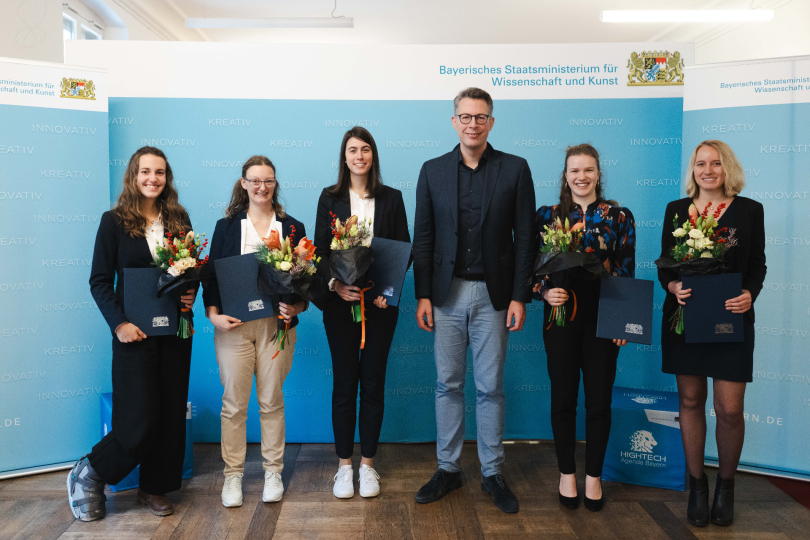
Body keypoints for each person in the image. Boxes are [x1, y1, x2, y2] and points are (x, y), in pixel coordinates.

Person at [412, 87, 535, 514]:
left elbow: (526, 241)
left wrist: (520, 297)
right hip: (445, 295)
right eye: (465, 116)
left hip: (494, 295)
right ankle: (448, 468)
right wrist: (423, 295)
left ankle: (492, 472)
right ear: (453, 122)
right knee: (447, 384)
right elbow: (423, 239)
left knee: (490, 388)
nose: (472, 124)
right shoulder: (431, 171)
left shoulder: (515, 169)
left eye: (480, 117)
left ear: (491, 122)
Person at [68, 146, 196, 520]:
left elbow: (188, 272)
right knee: (138, 419)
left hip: (175, 332)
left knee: (171, 413)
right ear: (133, 176)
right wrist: (119, 324)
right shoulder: (114, 222)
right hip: (133, 335)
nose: (152, 179)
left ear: (166, 178)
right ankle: (89, 473)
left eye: (159, 172)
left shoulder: (179, 218)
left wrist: (190, 293)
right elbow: (99, 281)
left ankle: (154, 488)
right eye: (145, 172)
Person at [659, 140, 766, 527]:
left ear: (727, 168)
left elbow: (756, 264)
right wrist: (672, 288)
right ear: (693, 170)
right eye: (701, 164)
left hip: (730, 320)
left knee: (729, 409)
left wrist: (749, 294)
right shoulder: (676, 210)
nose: (708, 170)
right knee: (690, 402)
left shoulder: (749, 210)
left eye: (716, 163)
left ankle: (725, 485)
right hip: (685, 320)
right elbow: (665, 268)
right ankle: (697, 486)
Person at [534, 144, 635, 512]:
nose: (581, 177)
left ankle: (594, 477)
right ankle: (566, 474)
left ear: (598, 173)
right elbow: (532, 268)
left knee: (598, 400)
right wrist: (544, 291)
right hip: (560, 317)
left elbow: (625, 270)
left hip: (603, 319)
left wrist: (623, 320)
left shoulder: (619, 216)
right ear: (565, 175)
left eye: (588, 170)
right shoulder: (546, 216)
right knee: (563, 399)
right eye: (575, 170)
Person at [203, 156, 307, 507]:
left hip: (277, 328)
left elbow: (307, 283)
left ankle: (272, 471)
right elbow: (210, 275)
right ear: (244, 183)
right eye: (255, 181)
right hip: (233, 328)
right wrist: (212, 313)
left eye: (269, 181)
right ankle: (232, 476)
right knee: (233, 405)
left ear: (275, 184)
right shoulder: (227, 227)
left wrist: (297, 307)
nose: (262, 187)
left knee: (271, 401)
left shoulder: (293, 227)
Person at [314, 127, 410, 499]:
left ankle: (368, 465)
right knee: (344, 385)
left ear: (373, 156)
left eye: (365, 149)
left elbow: (402, 249)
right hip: (341, 305)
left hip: (380, 306)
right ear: (344, 157)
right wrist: (335, 286)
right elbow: (319, 251)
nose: (359, 156)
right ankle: (343, 466)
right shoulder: (330, 197)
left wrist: (390, 292)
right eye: (352, 150)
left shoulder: (392, 198)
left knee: (373, 384)